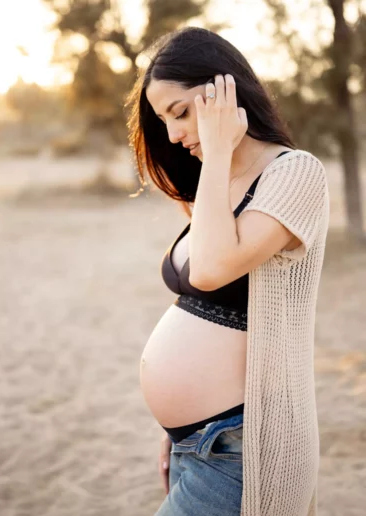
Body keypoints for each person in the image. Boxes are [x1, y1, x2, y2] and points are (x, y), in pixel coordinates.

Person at [125, 26, 329, 516]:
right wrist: (175, 429)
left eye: (180, 113)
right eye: (162, 119)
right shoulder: (214, 186)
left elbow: (213, 271)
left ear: (226, 90)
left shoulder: (295, 172)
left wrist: (217, 150)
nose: (173, 134)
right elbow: (201, 305)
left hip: (242, 450)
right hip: (199, 444)